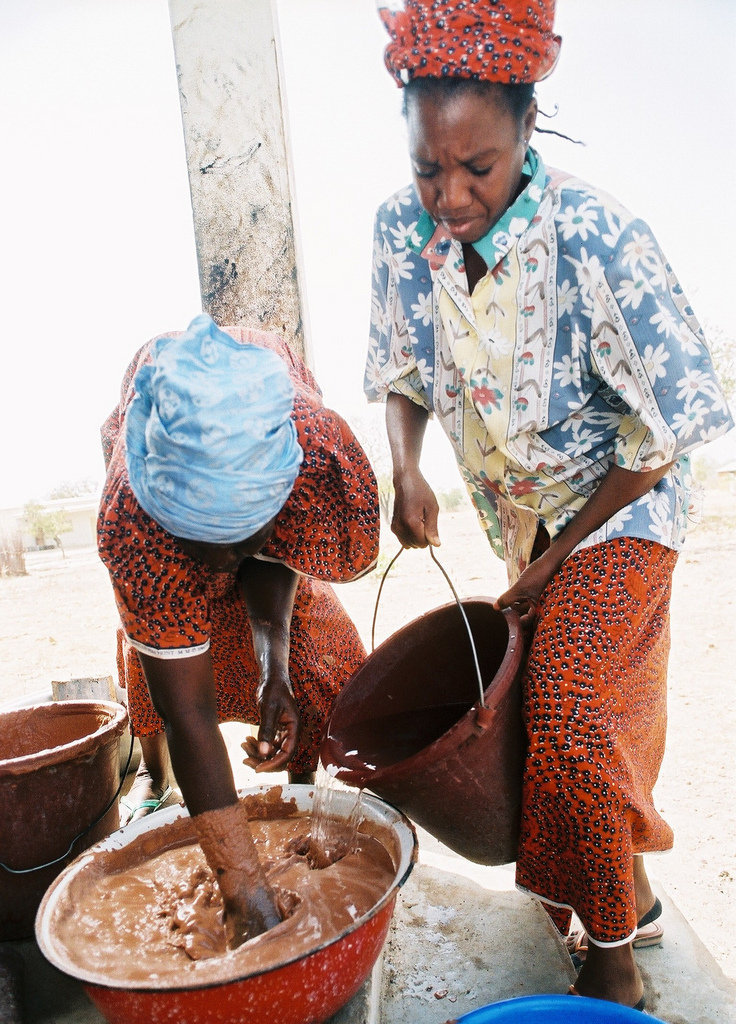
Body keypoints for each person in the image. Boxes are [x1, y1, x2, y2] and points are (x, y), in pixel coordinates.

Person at [366, 0, 733, 1011]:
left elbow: (653, 443)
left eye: (475, 169)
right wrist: (407, 466)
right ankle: (632, 889)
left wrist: (548, 565)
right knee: (540, 709)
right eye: (427, 170)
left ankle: (613, 958)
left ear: (529, 126)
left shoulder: (600, 237)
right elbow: (401, 366)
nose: (448, 195)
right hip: (520, 520)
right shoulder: (402, 231)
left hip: (622, 511)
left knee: (570, 714)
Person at [98, 312, 379, 942]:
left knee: (315, 657)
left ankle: (304, 789)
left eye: (236, 542)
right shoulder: (133, 520)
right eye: (202, 545)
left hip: (257, 497)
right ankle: (155, 775)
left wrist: (272, 669)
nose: (218, 566)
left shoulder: (317, 463)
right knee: (158, 668)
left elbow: (270, 556)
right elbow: (189, 713)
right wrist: (245, 894)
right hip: (164, 525)